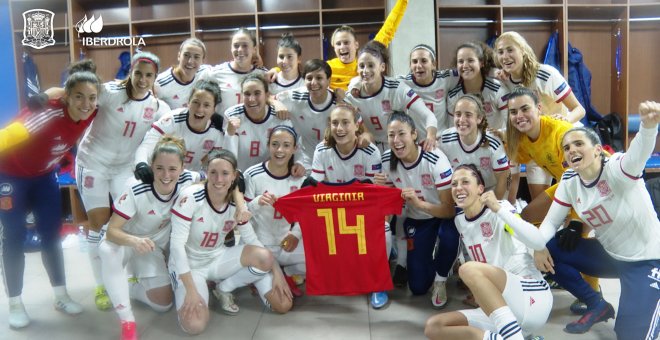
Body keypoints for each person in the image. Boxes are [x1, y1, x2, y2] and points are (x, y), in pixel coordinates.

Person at [491, 101, 660, 338]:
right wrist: (536, 245)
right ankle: (597, 304)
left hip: (647, 260)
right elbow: (548, 225)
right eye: (567, 147)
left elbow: (639, 153)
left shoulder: (617, 169)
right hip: (611, 255)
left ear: (598, 150)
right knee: (553, 248)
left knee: (629, 335)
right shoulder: (570, 180)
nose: (571, 150)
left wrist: (648, 126)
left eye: (579, 144)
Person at [0, 60, 101, 328]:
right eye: (78, 97)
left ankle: (60, 295)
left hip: (44, 176)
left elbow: (111, 93)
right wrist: (51, 95)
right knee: (13, 238)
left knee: (51, 236)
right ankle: (15, 303)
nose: (86, 104)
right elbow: (6, 138)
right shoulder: (48, 114)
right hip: (10, 176)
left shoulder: (91, 110)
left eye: (91, 98)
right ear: (67, 96)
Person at [75, 51, 171, 311]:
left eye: (148, 75)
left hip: (123, 168)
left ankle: (126, 276)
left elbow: (172, 131)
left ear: (154, 78)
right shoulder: (109, 92)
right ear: (130, 71)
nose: (142, 79)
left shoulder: (159, 107)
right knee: (98, 224)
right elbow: (78, 95)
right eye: (138, 73)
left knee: (126, 223)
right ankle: (100, 284)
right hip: (92, 163)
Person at [169, 150, 292, 335]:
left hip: (217, 258)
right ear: (206, 172)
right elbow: (176, 247)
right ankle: (196, 288)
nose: (219, 179)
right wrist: (191, 290)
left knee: (283, 303)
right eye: (213, 172)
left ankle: (224, 288)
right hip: (189, 265)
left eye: (225, 173)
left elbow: (251, 239)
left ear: (234, 175)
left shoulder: (237, 205)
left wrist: (277, 272)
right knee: (194, 325)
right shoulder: (191, 197)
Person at [424, 165, 552, 340]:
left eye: (465, 182)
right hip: (502, 308)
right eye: (454, 184)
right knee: (434, 327)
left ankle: (513, 338)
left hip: (530, 296)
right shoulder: (460, 221)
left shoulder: (499, 208)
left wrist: (538, 248)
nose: (458, 187)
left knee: (468, 269)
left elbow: (534, 238)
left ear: (480, 189)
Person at [99, 136, 200, 340]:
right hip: (125, 240)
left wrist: (239, 201)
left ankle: (128, 285)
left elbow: (217, 179)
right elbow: (112, 231)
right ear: (151, 166)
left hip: (150, 246)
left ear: (182, 168)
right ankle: (127, 321)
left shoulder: (188, 179)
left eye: (172, 169)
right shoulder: (135, 187)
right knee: (108, 251)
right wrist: (134, 241)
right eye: (160, 168)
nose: (166, 174)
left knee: (162, 304)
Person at [310, 105, 389, 308]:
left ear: (357, 126)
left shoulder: (371, 152)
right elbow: (313, 187)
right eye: (335, 123)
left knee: (385, 231)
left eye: (346, 122)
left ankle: (377, 283)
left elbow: (375, 194)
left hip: (363, 211)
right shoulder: (322, 149)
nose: (340, 128)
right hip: (334, 211)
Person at [375, 112, 457, 309]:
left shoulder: (435, 159)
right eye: (391, 135)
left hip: (443, 216)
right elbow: (386, 206)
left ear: (414, 134)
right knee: (418, 287)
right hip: (418, 220)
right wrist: (384, 191)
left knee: (450, 235)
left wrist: (420, 204)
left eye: (401, 134)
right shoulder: (387, 160)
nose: (396, 140)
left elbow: (450, 210)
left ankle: (441, 278)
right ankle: (432, 257)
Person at [495, 31, 586, 203]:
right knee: (541, 205)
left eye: (510, 50)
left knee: (575, 198)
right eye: (500, 52)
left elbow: (579, 109)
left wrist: (564, 121)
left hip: (562, 143)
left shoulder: (545, 74)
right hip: (535, 147)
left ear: (522, 49)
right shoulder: (505, 82)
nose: (505, 56)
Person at [244, 126, 307, 297]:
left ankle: (286, 273)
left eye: (286, 145)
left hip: (286, 242)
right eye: (275, 144)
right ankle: (268, 275)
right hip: (260, 244)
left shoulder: (300, 178)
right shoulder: (252, 174)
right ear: (268, 145)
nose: (280, 150)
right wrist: (257, 202)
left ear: (294, 149)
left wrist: (295, 234)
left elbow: (305, 214)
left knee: (318, 259)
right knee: (255, 269)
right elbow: (242, 216)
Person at [344, 40, 438, 151]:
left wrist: (431, 136)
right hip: (368, 149)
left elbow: (428, 115)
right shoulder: (352, 95)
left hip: (398, 148)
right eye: (362, 66)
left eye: (371, 65)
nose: (365, 70)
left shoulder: (397, 88)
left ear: (382, 67)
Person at [135, 80, 238, 173]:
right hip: (164, 175)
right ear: (188, 102)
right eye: (196, 102)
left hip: (192, 182)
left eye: (206, 105)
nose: (200, 109)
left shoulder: (217, 132)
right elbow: (148, 143)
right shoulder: (173, 119)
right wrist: (141, 164)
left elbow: (224, 163)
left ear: (214, 109)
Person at [224, 72, 304, 174]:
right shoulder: (232, 115)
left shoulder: (280, 115)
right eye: (247, 94)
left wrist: (299, 162)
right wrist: (229, 134)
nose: (251, 99)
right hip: (241, 175)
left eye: (257, 93)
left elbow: (296, 142)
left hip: (272, 176)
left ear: (266, 95)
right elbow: (229, 156)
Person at [439, 94, 510, 200]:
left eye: (468, 115)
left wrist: (490, 207)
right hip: (462, 193)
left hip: (491, 191)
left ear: (479, 118)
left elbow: (503, 180)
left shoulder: (492, 142)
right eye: (458, 114)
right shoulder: (445, 139)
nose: (461, 120)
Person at [327, 0, 408, 91]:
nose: (342, 47)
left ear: (356, 45)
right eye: (338, 44)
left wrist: (403, 1)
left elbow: (389, 29)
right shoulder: (327, 68)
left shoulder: (366, 61)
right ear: (334, 47)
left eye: (346, 42)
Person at [447, 41, 509, 131]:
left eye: (470, 60)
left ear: (481, 63)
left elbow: (510, 125)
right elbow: (452, 130)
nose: (465, 65)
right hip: (466, 143)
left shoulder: (498, 89)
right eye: (460, 61)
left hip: (496, 141)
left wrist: (495, 136)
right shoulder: (453, 96)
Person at [398, 44, 459, 134]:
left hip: (440, 140)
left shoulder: (445, 78)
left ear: (433, 64)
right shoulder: (403, 83)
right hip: (416, 142)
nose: (418, 66)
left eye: (424, 61)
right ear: (410, 65)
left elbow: (469, 74)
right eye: (414, 61)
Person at [206, 28, 268, 115]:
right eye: (236, 45)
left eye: (245, 45)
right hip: (225, 127)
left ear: (254, 49)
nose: (239, 50)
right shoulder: (215, 74)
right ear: (231, 48)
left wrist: (276, 70)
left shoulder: (263, 74)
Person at [155, 38, 210, 109]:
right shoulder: (160, 84)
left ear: (203, 60)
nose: (190, 61)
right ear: (179, 56)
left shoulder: (206, 72)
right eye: (186, 55)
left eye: (196, 57)